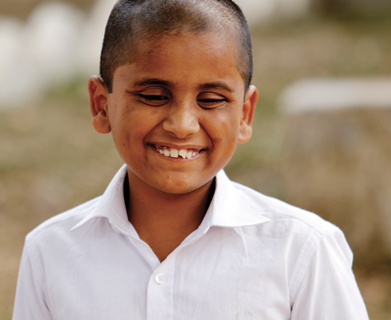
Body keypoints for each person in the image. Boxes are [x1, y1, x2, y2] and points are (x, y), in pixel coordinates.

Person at [12, 0, 369, 319]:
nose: (182, 125)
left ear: (245, 115)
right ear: (101, 105)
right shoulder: (51, 252)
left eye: (211, 100)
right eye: (153, 95)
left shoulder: (302, 250)